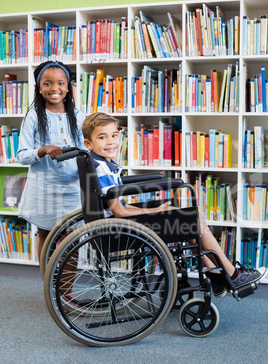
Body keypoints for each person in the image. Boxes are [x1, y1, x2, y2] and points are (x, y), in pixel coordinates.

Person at [82, 112, 267, 298]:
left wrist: (155, 209)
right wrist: (156, 209)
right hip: (120, 229)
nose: (111, 141)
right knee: (193, 219)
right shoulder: (102, 168)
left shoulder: (101, 163)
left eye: (114, 135)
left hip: (116, 224)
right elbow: (120, 211)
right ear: (88, 144)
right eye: (102, 137)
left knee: (189, 222)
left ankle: (216, 272)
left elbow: (118, 206)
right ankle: (232, 275)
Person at [17, 61, 86, 260]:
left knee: (71, 241)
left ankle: (66, 291)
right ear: (39, 88)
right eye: (47, 83)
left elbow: (86, 148)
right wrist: (42, 150)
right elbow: (22, 155)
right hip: (43, 190)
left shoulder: (78, 116)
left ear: (68, 87)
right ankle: (49, 288)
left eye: (60, 83)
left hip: (72, 189)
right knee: (46, 239)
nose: (54, 88)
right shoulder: (32, 116)